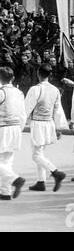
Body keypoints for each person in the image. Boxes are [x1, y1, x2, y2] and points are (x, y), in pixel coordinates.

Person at [25, 64, 68, 193]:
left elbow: (26, 108)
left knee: (36, 155)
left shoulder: (35, 89)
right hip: (49, 123)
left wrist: (20, 123)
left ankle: (55, 172)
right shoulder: (55, 90)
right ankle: (40, 181)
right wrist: (59, 127)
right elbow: (58, 109)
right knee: (40, 153)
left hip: (38, 123)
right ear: (50, 75)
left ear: (38, 73)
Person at [0, 67, 26, 201]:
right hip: (16, 127)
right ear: (13, 78)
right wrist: (19, 129)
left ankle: (15, 179)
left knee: (3, 161)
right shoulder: (19, 92)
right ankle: (5, 192)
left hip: (3, 128)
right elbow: (23, 114)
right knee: (7, 161)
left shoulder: (1, 92)